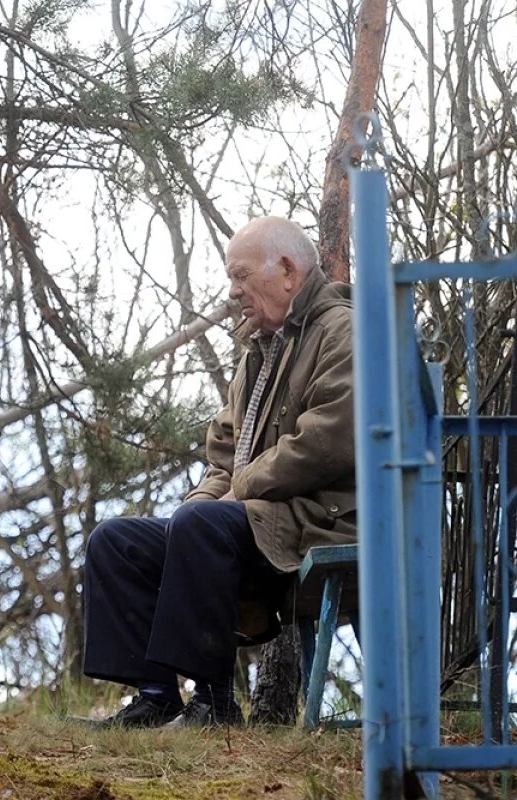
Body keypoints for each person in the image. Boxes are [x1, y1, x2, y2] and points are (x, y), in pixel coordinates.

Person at [79, 216, 356, 728]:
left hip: (325, 517)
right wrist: (199, 504)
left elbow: (327, 443)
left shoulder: (344, 330)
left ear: (289, 271)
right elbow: (224, 458)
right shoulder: (260, 351)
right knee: (116, 541)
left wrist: (228, 499)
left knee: (200, 525)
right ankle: (157, 695)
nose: (233, 292)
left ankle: (215, 705)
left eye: (241, 276)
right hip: (260, 518)